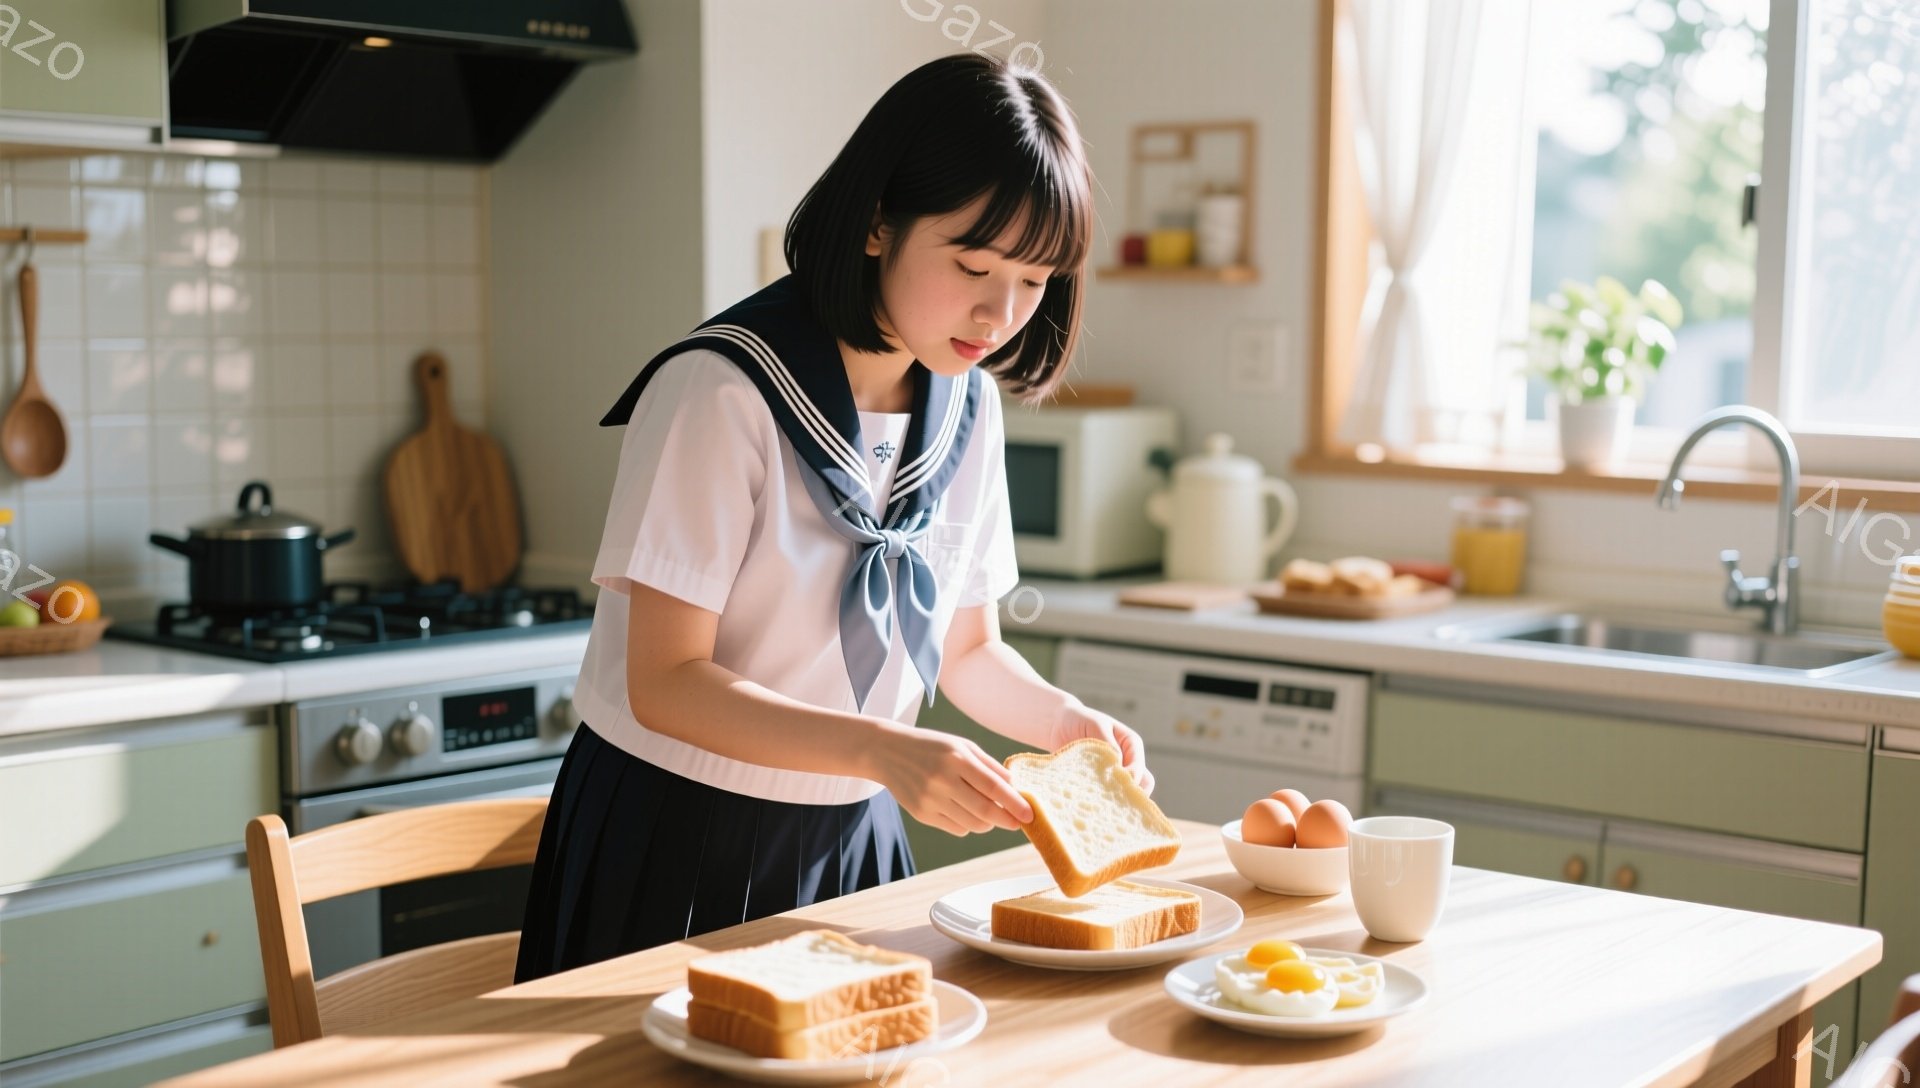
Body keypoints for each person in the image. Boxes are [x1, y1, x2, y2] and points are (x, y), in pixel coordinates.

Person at [514, 51, 1155, 983]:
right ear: (876, 225)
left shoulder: (966, 403)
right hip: (676, 832)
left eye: (1036, 279)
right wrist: (884, 750)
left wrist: (1063, 725)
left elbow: (968, 651)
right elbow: (666, 681)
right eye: (974, 264)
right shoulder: (720, 391)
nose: (1001, 310)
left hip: (855, 834)